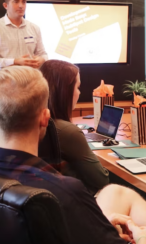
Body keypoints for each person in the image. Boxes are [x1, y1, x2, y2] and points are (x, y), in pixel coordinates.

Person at [0, 66, 146, 244]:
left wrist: (101, 222)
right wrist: (145, 238)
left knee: (116, 192)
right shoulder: (65, 191)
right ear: (45, 118)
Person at [39, 59, 109, 195]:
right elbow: (102, 181)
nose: (79, 93)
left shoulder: (34, 123)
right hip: (79, 201)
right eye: (77, 87)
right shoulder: (67, 131)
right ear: (64, 91)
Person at [0, 0, 47, 75]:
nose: (21, 5)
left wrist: (41, 59)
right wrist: (14, 61)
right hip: (4, 83)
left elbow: (43, 54)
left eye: (23, 2)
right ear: (5, 5)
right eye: (16, 1)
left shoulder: (34, 28)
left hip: (31, 81)